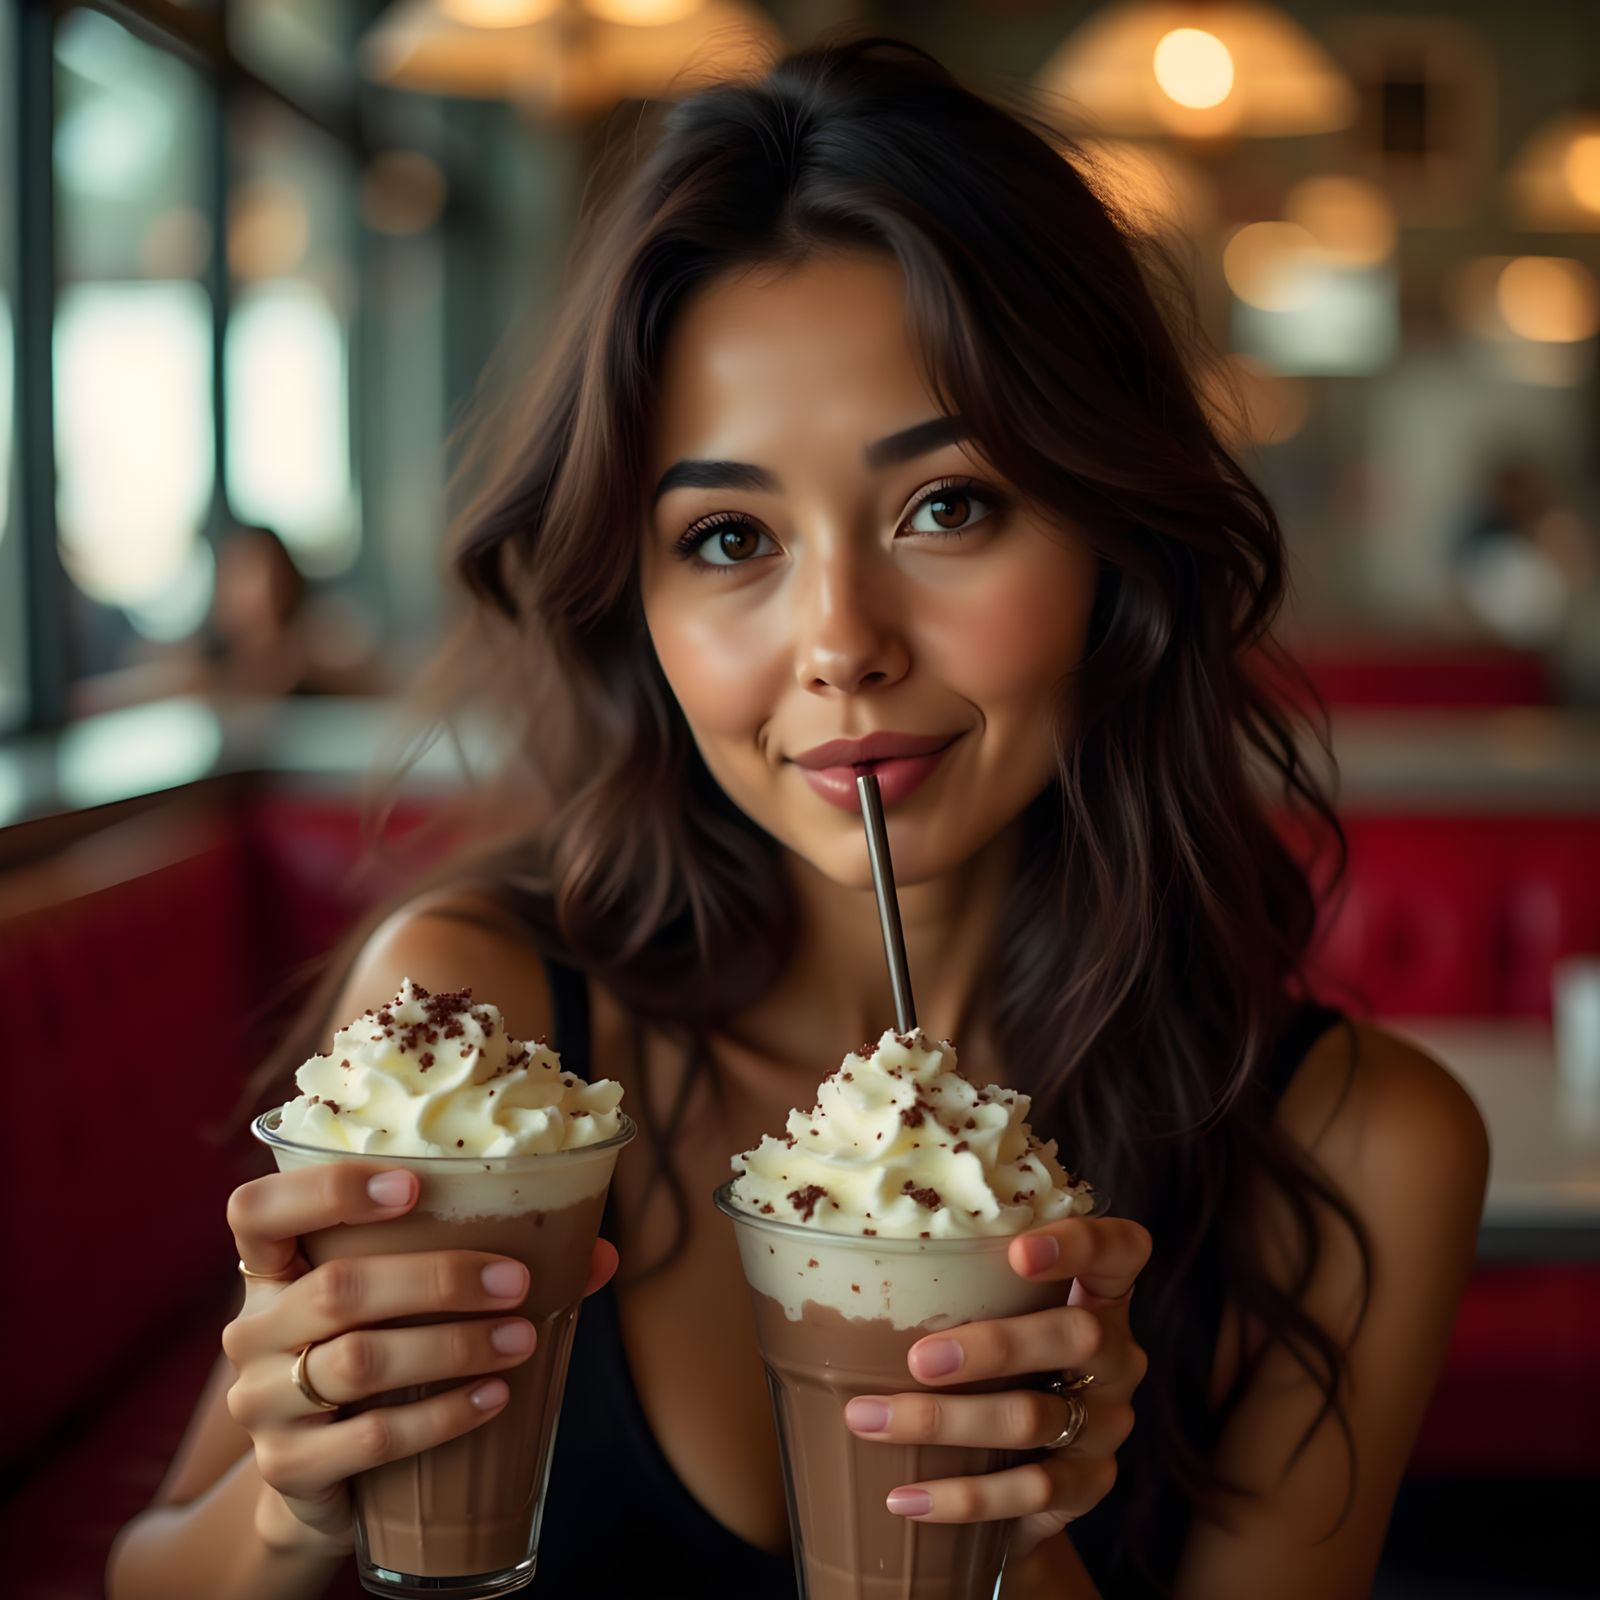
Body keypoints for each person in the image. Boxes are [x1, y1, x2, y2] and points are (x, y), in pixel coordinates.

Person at [107, 34, 1488, 1600]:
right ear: (632, 598)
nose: (841, 639)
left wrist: (1005, 1543)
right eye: (728, 535)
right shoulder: (481, 1038)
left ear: (1116, 538)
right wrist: (296, 1499)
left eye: (948, 506)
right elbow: (152, 1573)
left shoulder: (1363, 1151)